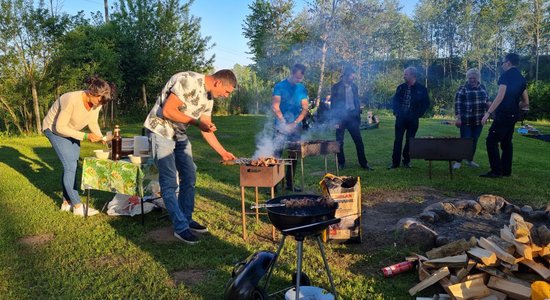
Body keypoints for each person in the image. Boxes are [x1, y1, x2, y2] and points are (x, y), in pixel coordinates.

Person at [144, 70, 237, 244]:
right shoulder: (188, 81)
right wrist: (196, 122)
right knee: (169, 181)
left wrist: (223, 152)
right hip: (161, 130)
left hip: (179, 133)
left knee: (189, 176)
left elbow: (206, 129)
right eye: (227, 92)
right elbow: (168, 111)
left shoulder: (209, 98)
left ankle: (186, 218)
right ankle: (180, 227)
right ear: (218, 83)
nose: (226, 96)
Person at [42, 75, 113, 216]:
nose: (100, 104)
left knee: (72, 164)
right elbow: (61, 128)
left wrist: (101, 138)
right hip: (54, 129)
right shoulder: (71, 99)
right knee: (70, 166)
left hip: (72, 131)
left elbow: (92, 122)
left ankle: (66, 203)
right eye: (99, 100)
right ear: (91, 93)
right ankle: (78, 206)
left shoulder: (97, 104)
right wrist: (86, 136)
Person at [480, 53, 529, 178]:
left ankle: (496, 171)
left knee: (491, 141)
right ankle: (506, 171)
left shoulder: (505, 76)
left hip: (503, 115)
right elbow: (525, 102)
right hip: (513, 115)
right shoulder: (521, 78)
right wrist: (514, 107)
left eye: (503, 62)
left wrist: (488, 113)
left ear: (508, 62)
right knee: (507, 142)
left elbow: (500, 96)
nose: (502, 65)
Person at [272, 63, 309, 191]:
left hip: (295, 126)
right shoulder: (279, 86)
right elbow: (275, 107)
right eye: (297, 78)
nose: (298, 80)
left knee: (293, 155)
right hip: (280, 125)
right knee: (276, 154)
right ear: (292, 74)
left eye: (300, 79)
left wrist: (295, 123)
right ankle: (273, 184)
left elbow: (305, 108)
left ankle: (290, 183)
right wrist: (283, 123)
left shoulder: (302, 88)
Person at [330, 66, 373, 170]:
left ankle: (364, 163)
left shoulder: (354, 87)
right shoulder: (336, 87)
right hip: (340, 118)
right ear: (345, 76)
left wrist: (358, 113)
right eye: (352, 77)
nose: (353, 79)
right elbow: (333, 105)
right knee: (339, 141)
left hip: (353, 118)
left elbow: (356, 101)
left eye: (354, 78)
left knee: (358, 141)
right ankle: (341, 163)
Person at [388, 66, 430, 169]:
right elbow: (395, 101)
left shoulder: (421, 89)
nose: (404, 76)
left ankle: (406, 161)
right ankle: (395, 163)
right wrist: (396, 112)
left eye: (406, 74)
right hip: (401, 118)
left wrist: (417, 114)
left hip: (413, 119)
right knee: (398, 140)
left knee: (410, 141)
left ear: (412, 75)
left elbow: (426, 104)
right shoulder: (401, 87)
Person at [453, 68, 490, 169]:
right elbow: (458, 105)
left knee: (474, 140)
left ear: (478, 78)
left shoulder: (483, 87)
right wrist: (458, 118)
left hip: (479, 121)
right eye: (470, 78)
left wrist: (490, 112)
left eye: (474, 78)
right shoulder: (463, 88)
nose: (472, 80)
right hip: (466, 121)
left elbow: (487, 101)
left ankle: (470, 160)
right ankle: (458, 161)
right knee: (465, 140)